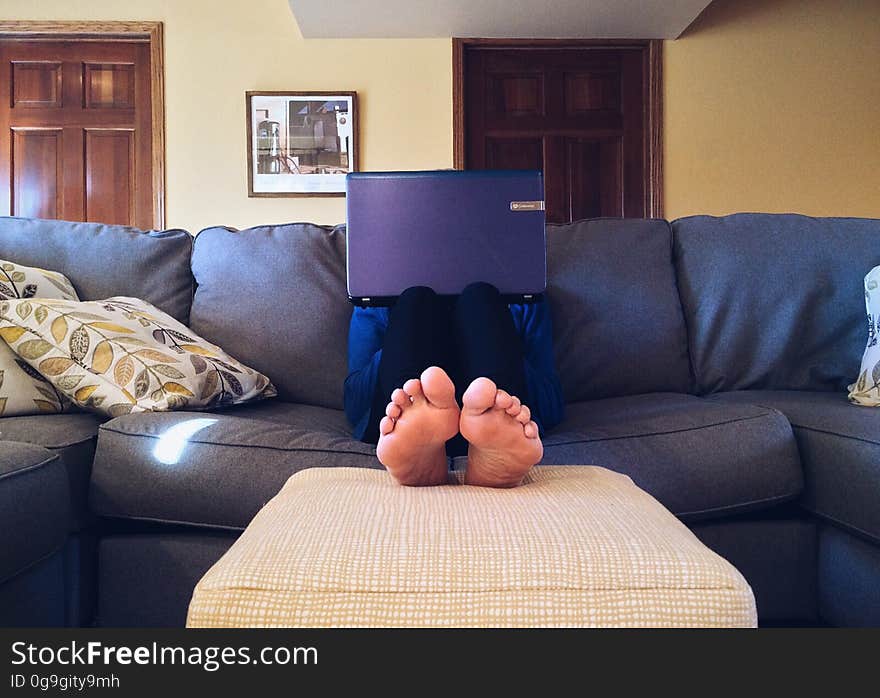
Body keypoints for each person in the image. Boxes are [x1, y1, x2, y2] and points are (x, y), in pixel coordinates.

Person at [345, 282, 564, 488]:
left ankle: (489, 428)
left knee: (480, 297)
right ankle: (415, 433)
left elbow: (550, 403)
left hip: (496, 413)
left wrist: (506, 350)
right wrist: (398, 346)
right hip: (403, 413)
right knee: (417, 300)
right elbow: (356, 401)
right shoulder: (375, 288)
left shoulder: (524, 287)